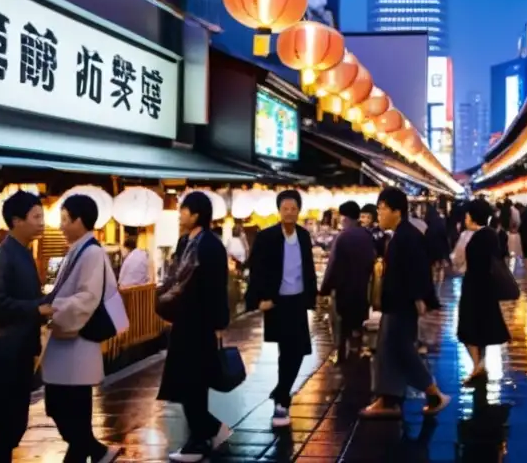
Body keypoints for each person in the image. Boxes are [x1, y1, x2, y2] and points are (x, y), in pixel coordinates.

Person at [43, 195, 121, 463]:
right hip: (70, 343)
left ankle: (98, 452)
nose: (61, 226)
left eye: (65, 219)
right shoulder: (81, 249)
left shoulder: (91, 252)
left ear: (79, 220)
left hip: (76, 342)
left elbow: (88, 297)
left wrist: (55, 310)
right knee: (66, 409)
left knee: (70, 409)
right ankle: (99, 452)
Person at [360, 187, 449, 419]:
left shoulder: (407, 237)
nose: (379, 214)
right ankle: (388, 399)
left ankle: (433, 393)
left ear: (397, 211)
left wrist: (421, 298)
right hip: (395, 303)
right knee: (388, 351)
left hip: (402, 304)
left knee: (401, 350)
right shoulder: (401, 235)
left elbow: (419, 270)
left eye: (382, 209)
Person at [0, 191, 52, 463]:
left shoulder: (23, 253)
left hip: (18, 350)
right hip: (2, 352)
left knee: (14, 424)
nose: (42, 222)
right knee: (7, 425)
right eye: (36, 217)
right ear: (17, 221)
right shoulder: (1, 256)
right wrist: (36, 308)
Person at [159, 191, 232, 462]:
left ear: (197, 214)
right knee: (185, 381)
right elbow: (176, 278)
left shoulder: (211, 246)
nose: (180, 215)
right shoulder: (184, 242)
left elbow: (217, 288)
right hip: (183, 320)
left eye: (184, 210)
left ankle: (200, 441)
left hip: (200, 323)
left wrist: (219, 323)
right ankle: (210, 430)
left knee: (194, 382)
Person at [246, 190, 317, 429]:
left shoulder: (304, 236)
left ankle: (281, 391)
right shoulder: (267, 236)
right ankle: (282, 400)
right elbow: (256, 269)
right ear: (279, 211)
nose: (289, 212)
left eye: (293, 208)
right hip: (277, 301)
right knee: (287, 349)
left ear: (299, 210)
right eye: (285, 208)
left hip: (297, 299)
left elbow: (308, 268)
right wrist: (260, 298)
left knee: (298, 350)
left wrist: (312, 298)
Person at [457, 200, 509, 385]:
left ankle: (477, 366)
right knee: (483, 327)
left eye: (467, 214)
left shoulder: (472, 236)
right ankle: (480, 366)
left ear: (472, 216)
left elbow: (458, 261)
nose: (465, 218)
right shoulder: (491, 235)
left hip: (473, 286)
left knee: (468, 328)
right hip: (487, 287)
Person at [320, 201, 377, 363]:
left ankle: (341, 354)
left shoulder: (343, 237)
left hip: (344, 289)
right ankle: (357, 350)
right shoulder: (366, 235)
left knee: (341, 324)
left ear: (345, 218)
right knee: (358, 323)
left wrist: (324, 289)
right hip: (362, 288)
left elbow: (333, 265)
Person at [424, 203, 450, 273]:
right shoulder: (440, 223)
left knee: (433, 266)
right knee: (441, 266)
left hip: (431, 249)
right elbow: (444, 237)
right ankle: (440, 282)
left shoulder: (428, 226)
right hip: (440, 248)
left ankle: (434, 280)